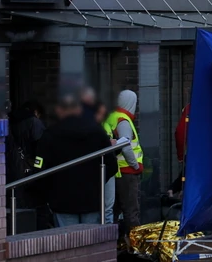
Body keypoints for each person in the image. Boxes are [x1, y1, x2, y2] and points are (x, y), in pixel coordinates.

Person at [33, 94, 117, 227]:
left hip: (62, 201)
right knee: (91, 242)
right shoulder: (97, 132)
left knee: (67, 243)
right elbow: (112, 165)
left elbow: (39, 170)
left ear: (60, 110)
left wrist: (50, 194)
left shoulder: (51, 134)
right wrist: (96, 184)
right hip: (91, 199)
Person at [105, 90, 144, 241]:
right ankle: (136, 246)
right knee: (131, 211)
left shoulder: (112, 117)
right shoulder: (123, 120)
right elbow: (126, 146)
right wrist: (135, 166)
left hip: (114, 171)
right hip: (126, 172)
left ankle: (115, 244)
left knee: (114, 211)